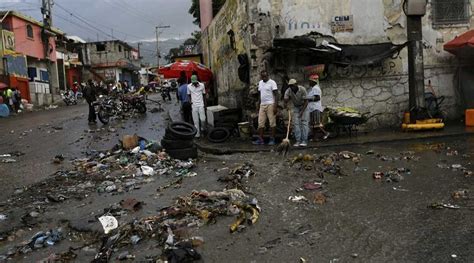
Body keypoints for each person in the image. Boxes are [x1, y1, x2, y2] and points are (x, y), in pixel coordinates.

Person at [253, 70, 278, 145]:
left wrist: (275, 106)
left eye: (265, 76)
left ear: (268, 76)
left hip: (270, 104)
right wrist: (258, 103)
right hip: (262, 105)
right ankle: (261, 139)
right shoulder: (260, 83)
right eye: (262, 76)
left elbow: (276, 95)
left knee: (272, 123)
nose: (263, 78)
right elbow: (260, 94)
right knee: (260, 123)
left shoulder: (272, 82)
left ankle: (272, 139)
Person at [284, 79, 309, 147]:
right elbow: (285, 99)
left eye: (292, 86)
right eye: (290, 86)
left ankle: (304, 140)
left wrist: (302, 112)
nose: (291, 87)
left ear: (296, 84)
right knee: (296, 123)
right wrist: (286, 105)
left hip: (304, 106)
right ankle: (298, 140)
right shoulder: (289, 90)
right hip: (296, 107)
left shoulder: (302, 89)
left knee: (304, 123)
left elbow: (306, 101)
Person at [307, 74, 329, 140]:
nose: (309, 82)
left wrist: (308, 99)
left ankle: (325, 133)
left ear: (313, 81)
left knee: (316, 125)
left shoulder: (315, 88)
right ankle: (315, 138)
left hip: (315, 108)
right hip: (312, 108)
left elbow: (317, 98)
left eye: (310, 81)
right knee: (313, 125)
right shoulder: (313, 88)